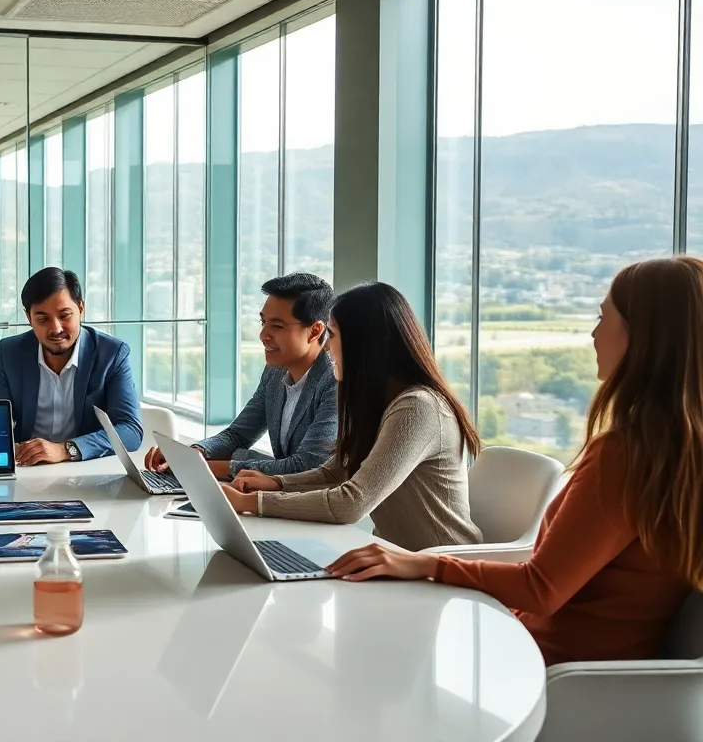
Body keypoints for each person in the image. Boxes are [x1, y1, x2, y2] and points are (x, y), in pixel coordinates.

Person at [326, 258, 703, 665]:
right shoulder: (676, 452)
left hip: (548, 668)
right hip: (588, 668)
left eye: (602, 316)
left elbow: (541, 588)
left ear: (643, 336)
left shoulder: (626, 454)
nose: (594, 332)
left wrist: (423, 564)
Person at [222, 282, 483, 552]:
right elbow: (337, 472)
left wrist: (253, 503)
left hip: (442, 567)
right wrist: (276, 483)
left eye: (332, 335)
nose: (325, 348)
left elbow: (351, 503)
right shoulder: (375, 401)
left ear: (363, 343)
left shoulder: (417, 407)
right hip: (392, 560)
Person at [145, 272, 338, 479]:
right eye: (263, 322)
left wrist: (198, 468)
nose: (263, 335)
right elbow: (237, 435)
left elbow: (307, 466)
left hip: (315, 502)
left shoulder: (336, 382)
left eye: (277, 326)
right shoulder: (275, 372)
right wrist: (193, 453)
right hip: (279, 495)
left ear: (315, 331)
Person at [0, 267, 142, 465]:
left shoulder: (112, 354)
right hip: (28, 468)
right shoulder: (11, 352)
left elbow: (130, 431)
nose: (56, 328)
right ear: (29, 318)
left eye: (65, 315)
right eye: (43, 319)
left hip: (85, 469)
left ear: (81, 309)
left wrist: (66, 449)